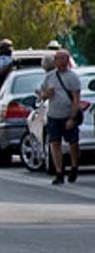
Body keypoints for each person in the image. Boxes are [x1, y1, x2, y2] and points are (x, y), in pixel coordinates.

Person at [37, 47, 83, 185]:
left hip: (67, 114)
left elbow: (76, 99)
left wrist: (72, 118)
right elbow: (41, 95)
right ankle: (59, 172)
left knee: (73, 144)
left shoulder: (73, 77)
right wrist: (46, 94)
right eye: (58, 59)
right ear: (55, 61)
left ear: (68, 61)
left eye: (64, 59)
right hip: (53, 116)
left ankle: (74, 166)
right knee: (55, 143)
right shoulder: (50, 77)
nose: (61, 62)